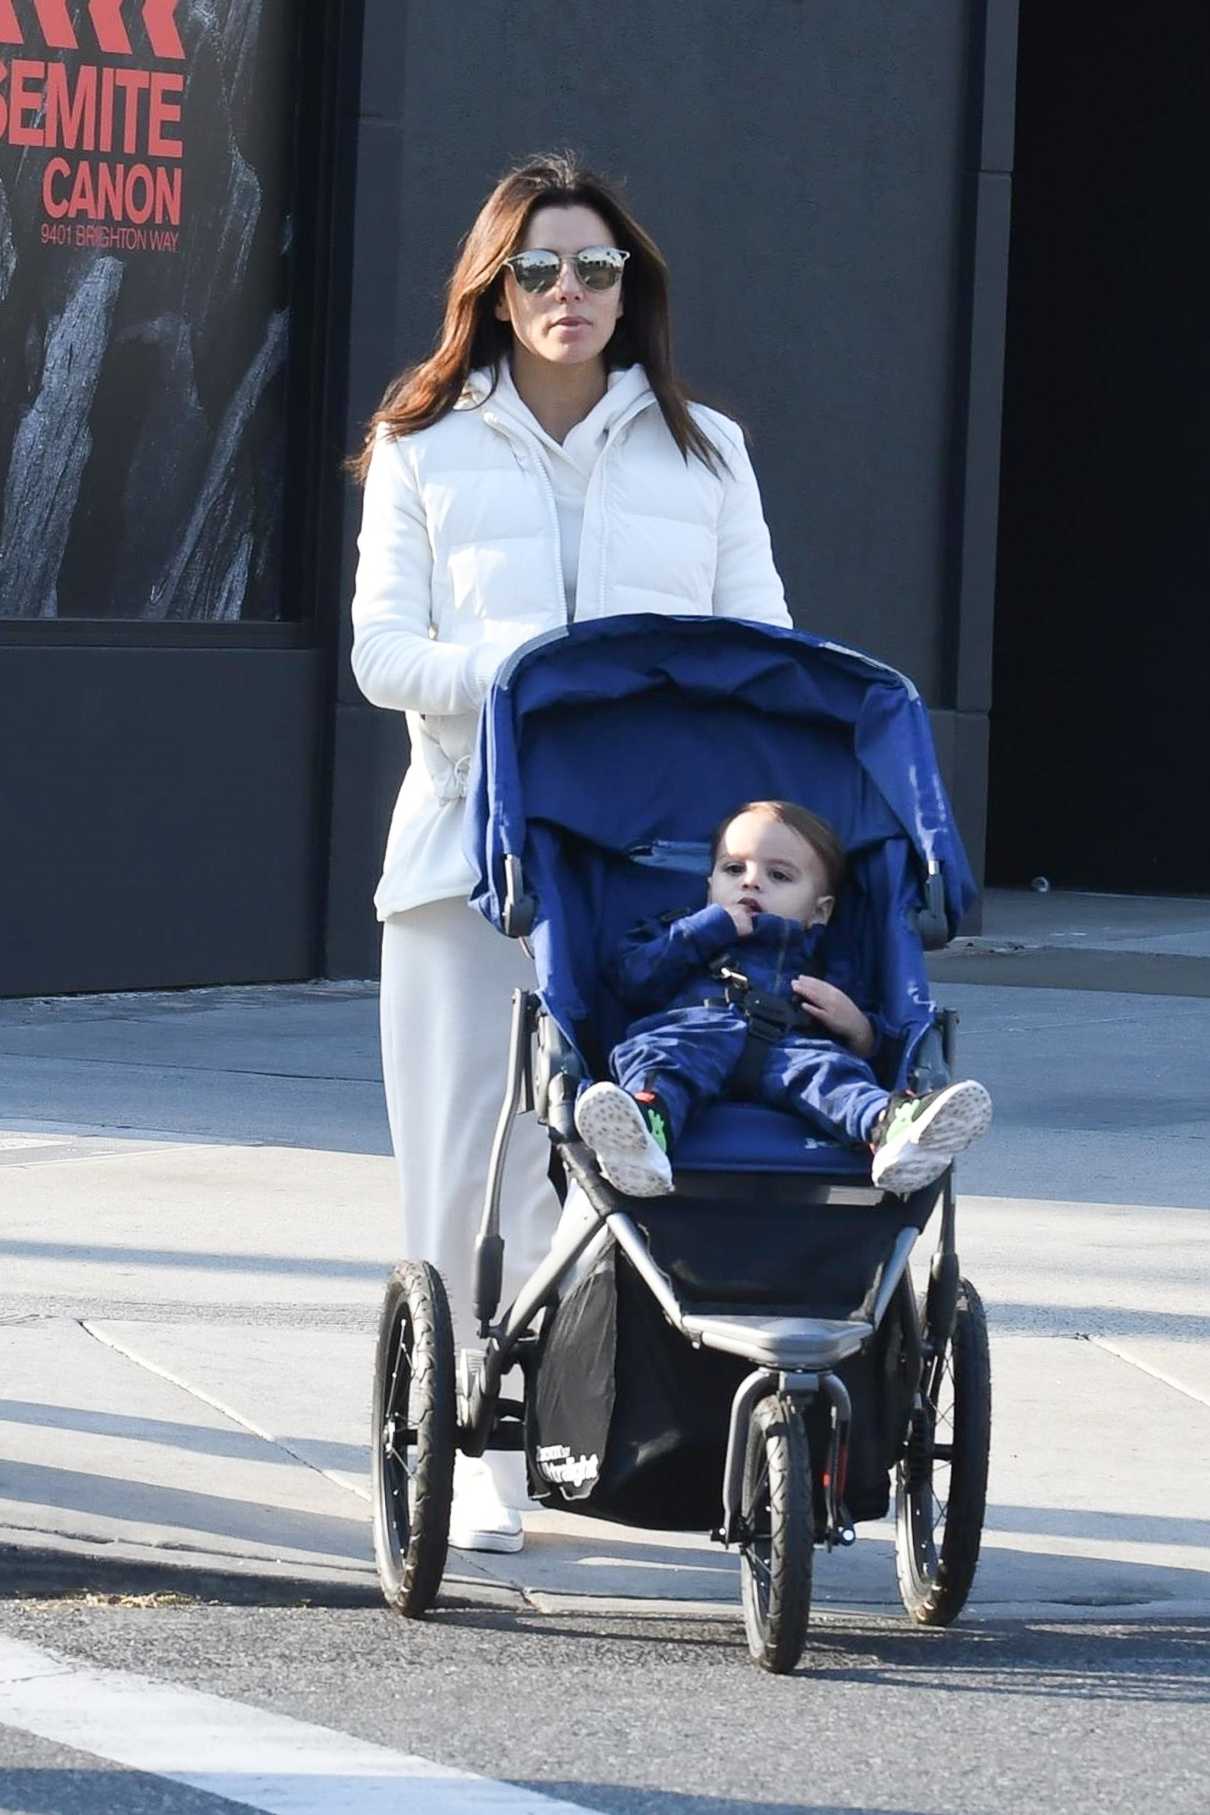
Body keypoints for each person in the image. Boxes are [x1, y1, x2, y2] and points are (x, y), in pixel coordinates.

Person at [349, 153, 790, 1553]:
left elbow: (760, 649)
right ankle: (464, 1441)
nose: (567, 292)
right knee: (458, 1159)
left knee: (607, 1151)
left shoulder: (702, 449)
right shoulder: (423, 447)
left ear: (628, 288)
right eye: (537, 268)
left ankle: (567, 1409)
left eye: (594, 269)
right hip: (458, 858)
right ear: (493, 289)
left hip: (649, 871)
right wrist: (529, 670)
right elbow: (380, 656)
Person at [574, 800, 992, 1197]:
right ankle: (644, 1130)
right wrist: (705, 929)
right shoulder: (680, 934)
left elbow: (874, 1041)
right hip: (694, 1036)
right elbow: (631, 980)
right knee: (659, 1057)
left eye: (780, 876)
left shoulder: (831, 960)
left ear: (820, 910)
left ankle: (892, 1128)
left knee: (833, 1073)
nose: (750, 881)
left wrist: (860, 1029)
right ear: (709, 886)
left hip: (790, 1051)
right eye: (733, 868)